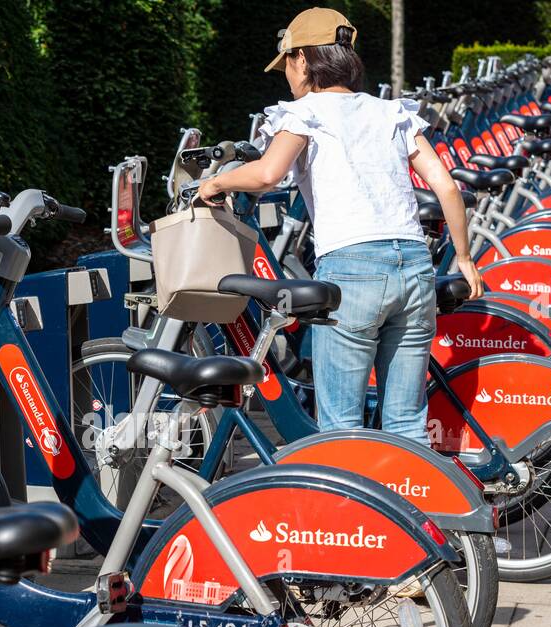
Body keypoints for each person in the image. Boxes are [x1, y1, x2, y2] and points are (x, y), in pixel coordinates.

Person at [197, 7, 482, 444]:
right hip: (414, 266)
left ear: (304, 60)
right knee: (407, 423)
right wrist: (463, 258)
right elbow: (446, 187)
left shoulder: (305, 114)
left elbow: (267, 174)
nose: (287, 75)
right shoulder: (391, 113)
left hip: (352, 270)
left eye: (288, 63)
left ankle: (352, 512)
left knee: (341, 430)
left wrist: (215, 181)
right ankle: (416, 508)